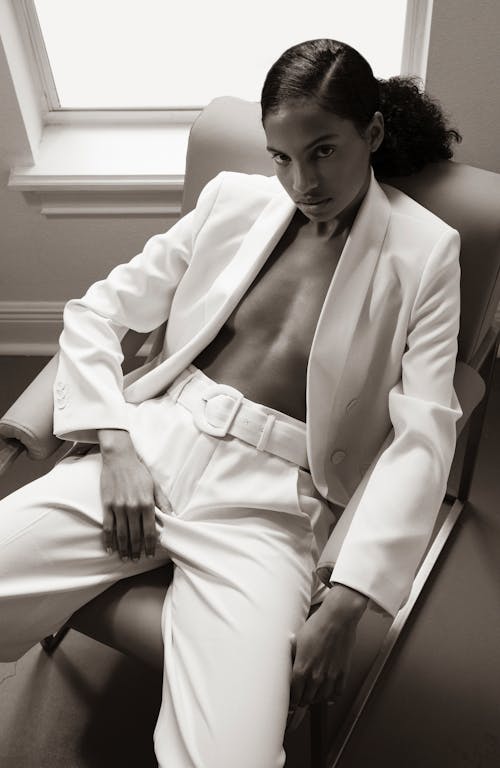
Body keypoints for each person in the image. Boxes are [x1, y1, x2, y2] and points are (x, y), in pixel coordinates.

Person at [0, 39, 463, 768]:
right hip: (152, 446)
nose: (301, 181)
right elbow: (96, 313)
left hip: (272, 505)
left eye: (322, 151)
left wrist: (348, 602)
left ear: (370, 134)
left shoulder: (427, 252)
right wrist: (114, 443)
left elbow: (425, 434)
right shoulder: (232, 200)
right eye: (281, 157)